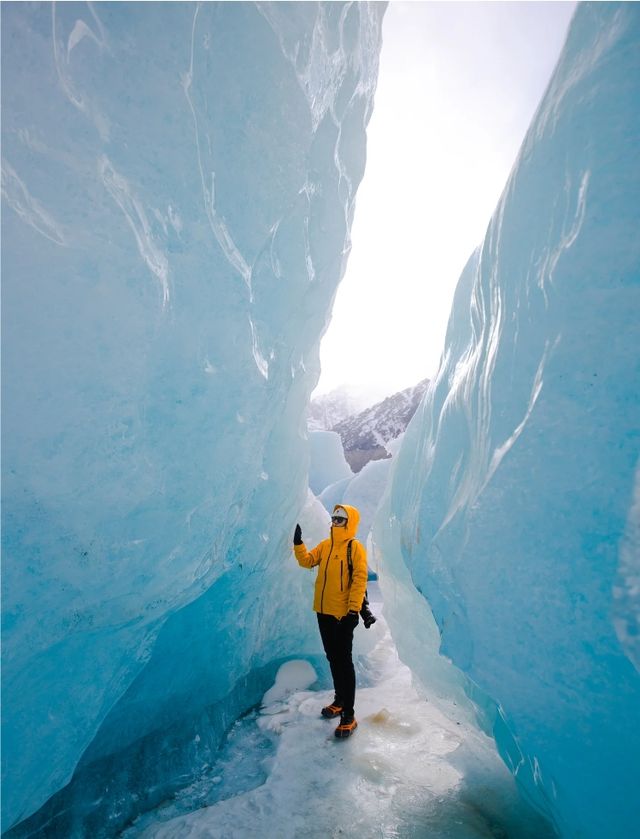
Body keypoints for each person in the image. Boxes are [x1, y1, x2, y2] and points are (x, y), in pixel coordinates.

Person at [292, 504, 367, 738]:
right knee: (333, 658)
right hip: (323, 612)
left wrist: (353, 611)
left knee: (344, 662)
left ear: (350, 522)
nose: (335, 522)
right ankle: (339, 700)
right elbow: (307, 561)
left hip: (344, 614)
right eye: (334, 518)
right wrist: (298, 544)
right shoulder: (326, 546)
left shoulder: (354, 548)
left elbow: (359, 579)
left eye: (340, 519)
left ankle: (349, 715)